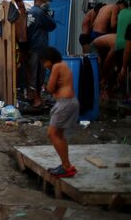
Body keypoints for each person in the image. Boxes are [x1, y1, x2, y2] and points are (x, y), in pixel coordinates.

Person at [41, 46, 79, 178]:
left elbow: (50, 88)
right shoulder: (63, 65)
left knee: (51, 133)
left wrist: (47, 86)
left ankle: (67, 165)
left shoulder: (56, 67)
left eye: (44, 62)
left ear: (49, 59)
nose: (44, 66)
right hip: (70, 102)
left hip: (65, 103)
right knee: (60, 135)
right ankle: (65, 165)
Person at [26, 0, 57, 109]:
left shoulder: (30, 12)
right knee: (39, 75)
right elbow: (52, 25)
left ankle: (31, 97)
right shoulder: (40, 13)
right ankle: (37, 100)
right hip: (39, 48)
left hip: (31, 47)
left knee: (32, 74)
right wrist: (48, 14)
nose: (48, 3)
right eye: (47, 1)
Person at [14, 0, 28, 89]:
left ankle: (21, 84)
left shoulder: (23, 12)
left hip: (22, 41)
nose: (21, 3)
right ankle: (20, 84)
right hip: (21, 41)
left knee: (21, 64)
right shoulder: (19, 13)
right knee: (21, 64)